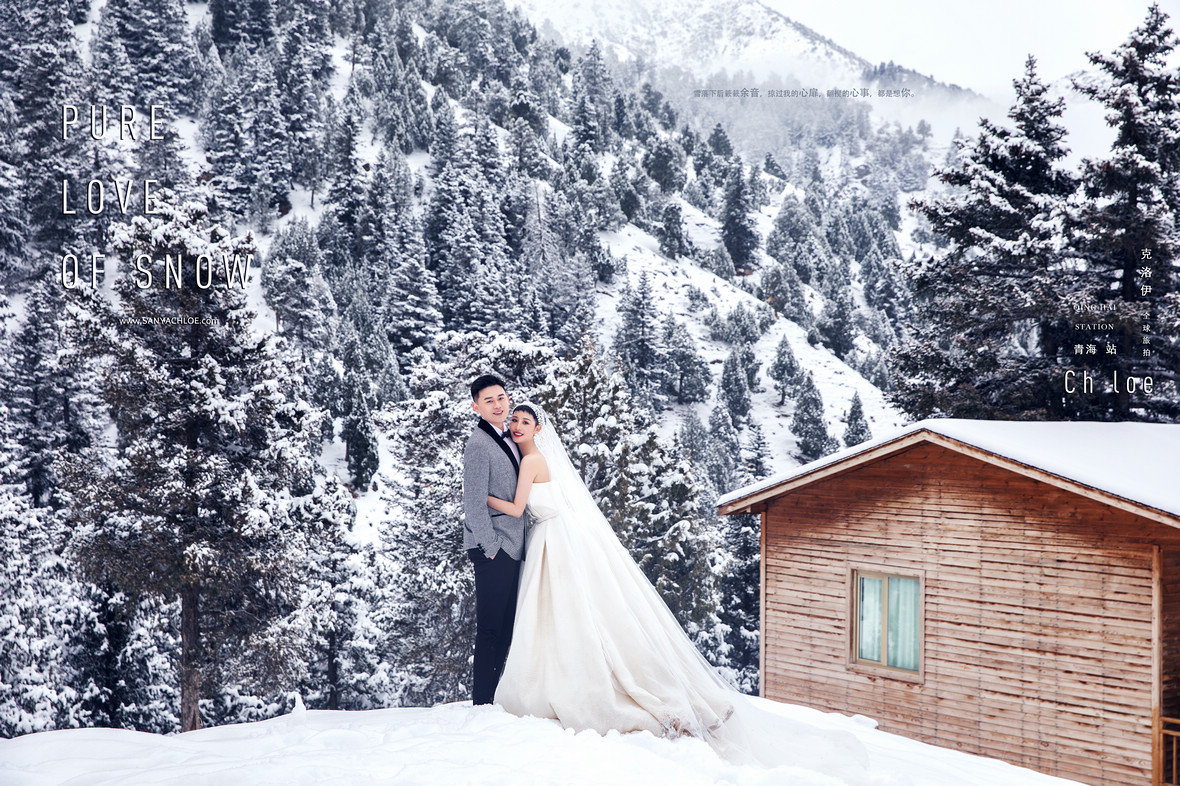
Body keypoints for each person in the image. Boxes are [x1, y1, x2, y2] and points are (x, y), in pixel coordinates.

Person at [486, 402, 870, 782]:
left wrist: (483, 496)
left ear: (538, 429)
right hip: (557, 539)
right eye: (515, 420)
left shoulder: (532, 460)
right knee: (571, 614)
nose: (518, 426)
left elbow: (518, 508)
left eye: (525, 421)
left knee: (563, 615)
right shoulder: (534, 457)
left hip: (554, 542)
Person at [462, 374, 526, 706]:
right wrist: (491, 548)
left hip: (514, 546)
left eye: (501, 397)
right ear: (476, 407)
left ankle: (498, 697)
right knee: (490, 628)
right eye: (489, 401)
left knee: (507, 628)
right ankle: (482, 703)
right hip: (494, 548)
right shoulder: (478, 445)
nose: (498, 405)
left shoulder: (512, 437)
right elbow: (473, 504)